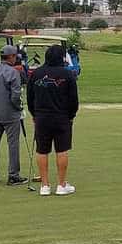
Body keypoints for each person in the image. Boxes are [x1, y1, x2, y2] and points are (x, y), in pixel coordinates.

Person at [26, 45, 79, 196]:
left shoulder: (36, 74)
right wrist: (71, 116)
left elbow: (30, 98)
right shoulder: (67, 74)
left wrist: (34, 114)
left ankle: (45, 185)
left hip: (41, 117)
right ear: (61, 57)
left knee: (42, 150)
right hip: (62, 117)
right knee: (61, 150)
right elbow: (73, 99)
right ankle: (61, 185)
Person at [0, 45, 28, 186]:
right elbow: (15, 96)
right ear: (11, 56)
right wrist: (19, 108)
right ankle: (13, 175)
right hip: (10, 114)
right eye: (15, 56)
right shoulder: (13, 72)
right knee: (13, 144)